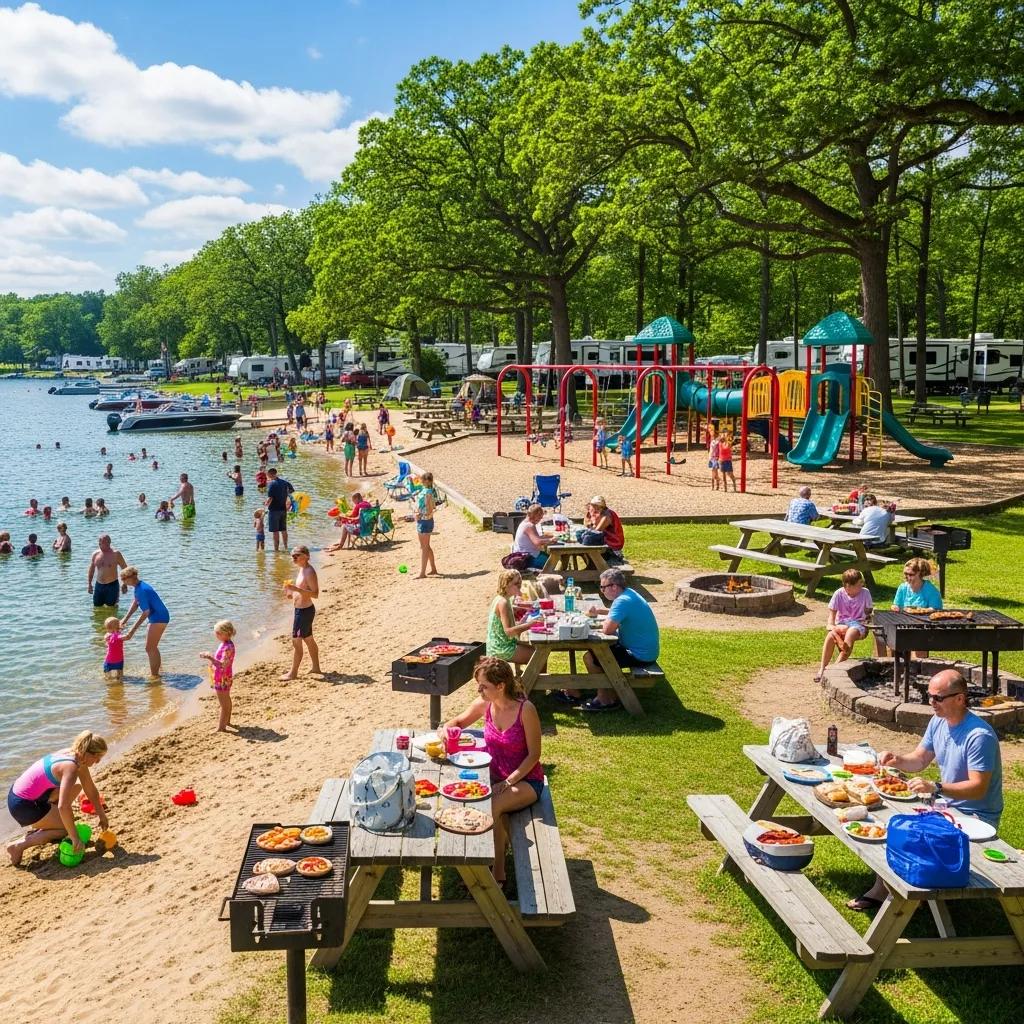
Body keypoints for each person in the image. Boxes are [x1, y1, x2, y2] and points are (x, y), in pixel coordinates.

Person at [848, 669, 1003, 912]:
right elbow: (919, 760)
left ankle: (896, 894)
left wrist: (937, 787)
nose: (931, 702)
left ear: (960, 699)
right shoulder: (939, 721)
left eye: (937, 698)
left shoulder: (979, 736)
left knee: (903, 830)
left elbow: (978, 789)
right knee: (888, 820)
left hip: (975, 817)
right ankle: (891, 886)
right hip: (945, 807)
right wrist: (896, 759)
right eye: (928, 696)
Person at [443, 657, 542, 888]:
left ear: (501, 686)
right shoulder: (485, 704)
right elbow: (457, 720)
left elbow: (534, 755)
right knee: (464, 799)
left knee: (492, 806)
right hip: (493, 776)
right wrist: (446, 730)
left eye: (483, 686)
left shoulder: (525, 710)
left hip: (525, 779)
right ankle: (478, 861)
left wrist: (508, 781)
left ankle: (497, 875)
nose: (479, 690)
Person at [558, 568, 660, 712]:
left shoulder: (622, 601)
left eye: (603, 587)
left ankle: (605, 698)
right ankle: (592, 690)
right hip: (646, 651)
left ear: (614, 586)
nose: (601, 591)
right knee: (596, 653)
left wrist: (594, 623)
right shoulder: (629, 594)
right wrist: (600, 612)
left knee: (592, 657)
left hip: (639, 655)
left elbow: (607, 630)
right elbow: (619, 614)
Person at [5, 731, 109, 866]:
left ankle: (46, 823)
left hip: (21, 794)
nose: (98, 761)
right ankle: (18, 846)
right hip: (23, 805)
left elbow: (90, 789)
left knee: (76, 787)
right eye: (97, 757)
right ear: (88, 753)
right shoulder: (70, 768)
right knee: (65, 830)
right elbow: (63, 806)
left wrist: (102, 814)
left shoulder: (75, 755)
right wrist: (74, 837)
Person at [816, 568, 872, 681]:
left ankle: (832, 671)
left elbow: (868, 615)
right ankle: (822, 668)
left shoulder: (865, 592)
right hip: (842, 624)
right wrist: (833, 628)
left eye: (862, 582)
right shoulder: (838, 594)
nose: (862, 585)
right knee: (830, 636)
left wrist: (866, 623)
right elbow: (831, 619)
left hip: (859, 624)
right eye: (858, 584)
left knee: (850, 633)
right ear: (848, 586)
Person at [486, 569, 549, 668]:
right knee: (540, 657)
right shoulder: (503, 603)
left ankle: (530, 681)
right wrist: (531, 624)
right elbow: (509, 632)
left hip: (503, 644)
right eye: (516, 583)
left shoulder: (503, 598)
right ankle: (531, 683)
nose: (519, 585)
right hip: (500, 648)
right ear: (506, 585)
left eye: (520, 582)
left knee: (539, 651)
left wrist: (526, 608)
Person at [119, 567, 170, 678]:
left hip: (159, 618)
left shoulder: (141, 589)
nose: (123, 582)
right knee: (152, 647)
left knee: (150, 648)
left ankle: (155, 676)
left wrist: (130, 633)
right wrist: (124, 619)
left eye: (123, 579)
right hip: (160, 616)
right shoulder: (138, 587)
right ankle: (158, 672)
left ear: (131, 578)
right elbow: (136, 603)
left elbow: (146, 612)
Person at [282, 546, 321, 679]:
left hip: (304, 612)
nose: (294, 558)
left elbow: (315, 594)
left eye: (297, 555)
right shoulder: (302, 569)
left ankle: (293, 673)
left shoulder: (309, 572)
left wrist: (296, 589)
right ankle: (316, 667)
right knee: (308, 639)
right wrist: (290, 593)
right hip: (302, 610)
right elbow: (301, 590)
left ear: (306, 556)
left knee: (296, 641)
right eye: (292, 556)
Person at [200, 620, 236, 732]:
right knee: (226, 700)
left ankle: (221, 727)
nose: (216, 635)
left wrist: (209, 657)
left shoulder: (228, 647)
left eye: (218, 633)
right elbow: (220, 661)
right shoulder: (225, 644)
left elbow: (222, 665)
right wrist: (212, 660)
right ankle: (227, 721)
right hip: (222, 676)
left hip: (223, 678)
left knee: (223, 703)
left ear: (226, 633)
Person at [575, 496, 625, 562]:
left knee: (588, 539)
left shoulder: (607, 515)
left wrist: (592, 523)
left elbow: (597, 530)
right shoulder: (595, 512)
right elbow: (586, 525)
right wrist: (589, 515)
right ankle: (592, 564)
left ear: (602, 507)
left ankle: (594, 565)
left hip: (612, 547)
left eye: (597, 506)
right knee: (580, 535)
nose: (593, 508)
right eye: (592, 505)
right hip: (604, 542)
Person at [88, 534, 128, 609]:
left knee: (111, 608)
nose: (99, 544)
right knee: (97, 607)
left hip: (112, 585)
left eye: (101, 543)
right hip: (99, 585)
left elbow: (125, 569)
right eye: (99, 543)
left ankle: (114, 620)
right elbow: (91, 570)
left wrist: (124, 583)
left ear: (108, 543)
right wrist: (89, 584)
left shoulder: (116, 554)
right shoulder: (95, 554)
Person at [511, 504, 555, 569]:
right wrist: (551, 540)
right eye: (540, 517)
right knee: (552, 561)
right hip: (525, 558)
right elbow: (537, 542)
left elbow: (535, 537)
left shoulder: (525, 523)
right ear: (535, 515)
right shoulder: (529, 526)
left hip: (523, 554)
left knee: (549, 557)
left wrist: (547, 537)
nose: (540, 519)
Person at [415, 471, 439, 578]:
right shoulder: (426, 491)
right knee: (425, 546)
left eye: (422, 479)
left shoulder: (428, 493)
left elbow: (430, 509)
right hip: (423, 520)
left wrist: (420, 514)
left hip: (425, 520)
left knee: (424, 548)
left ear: (425, 481)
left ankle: (422, 573)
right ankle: (433, 569)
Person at [264, 467, 294, 551]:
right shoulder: (285, 482)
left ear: (270, 474)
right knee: (283, 529)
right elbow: (291, 492)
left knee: (275, 531)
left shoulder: (272, 484)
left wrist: (265, 505)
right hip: (283, 509)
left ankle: (276, 550)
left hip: (274, 510)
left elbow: (270, 498)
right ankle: (286, 547)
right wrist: (286, 498)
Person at [103, 616, 126, 681]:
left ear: (110, 628)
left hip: (109, 659)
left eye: (107, 628)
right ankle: (120, 682)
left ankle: (109, 683)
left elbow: (106, 638)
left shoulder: (108, 635)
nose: (107, 630)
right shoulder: (119, 635)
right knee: (120, 672)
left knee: (107, 673)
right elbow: (123, 636)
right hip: (119, 658)